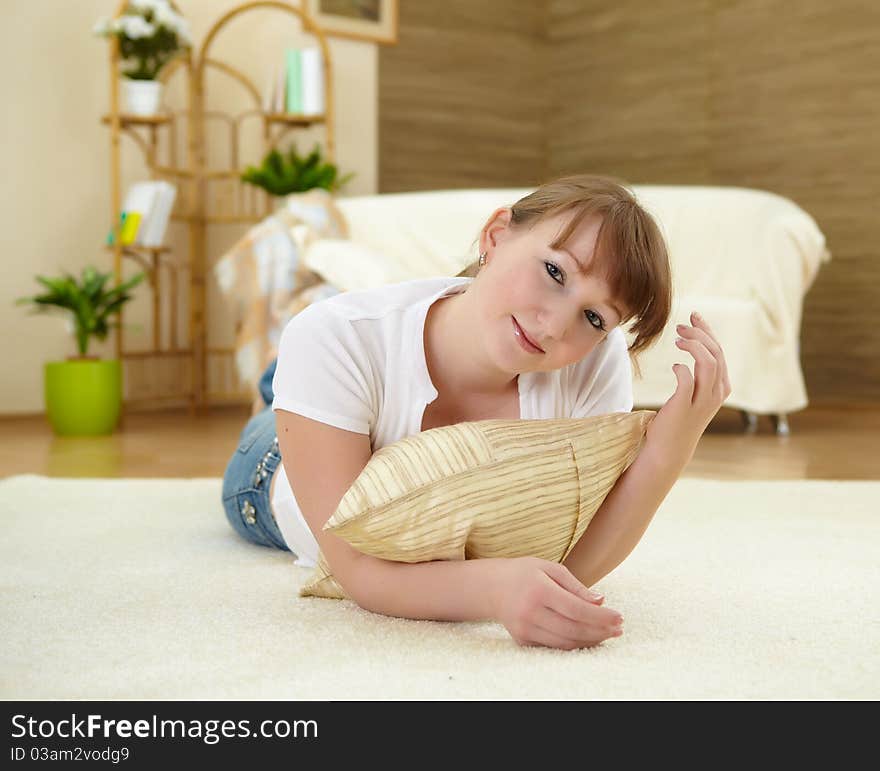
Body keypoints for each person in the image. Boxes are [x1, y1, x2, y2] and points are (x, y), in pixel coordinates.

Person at [221, 174, 731, 651]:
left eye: (594, 317)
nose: (554, 326)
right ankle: (282, 384)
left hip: (355, 376)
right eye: (555, 272)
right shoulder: (333, 336)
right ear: (496, 236)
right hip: (268, 467)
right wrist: (492, 590)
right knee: (297, 373)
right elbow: (356, 568)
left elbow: (570, 557)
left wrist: (670, 445)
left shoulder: (595, 362)